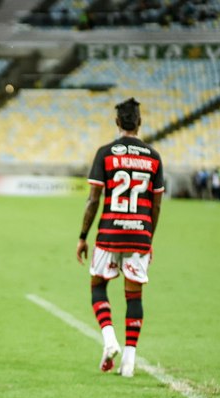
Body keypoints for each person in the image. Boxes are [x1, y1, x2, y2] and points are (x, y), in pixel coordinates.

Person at [75, 97, 164, 378]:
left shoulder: (105, 153)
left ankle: (110, 338)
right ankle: (129, 360)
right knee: (134, 294)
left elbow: (93, 201)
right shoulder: (153, 157)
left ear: (117, 123)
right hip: (139, 233)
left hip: (110, 233)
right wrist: (148, 237)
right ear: (139, 122)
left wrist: (82, 236)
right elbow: (157, 204)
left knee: (98, 285)